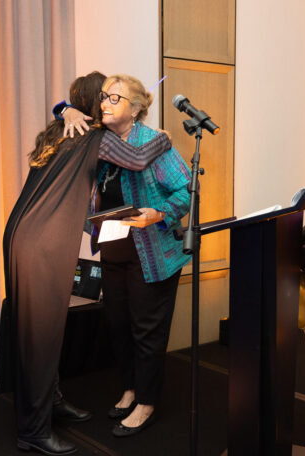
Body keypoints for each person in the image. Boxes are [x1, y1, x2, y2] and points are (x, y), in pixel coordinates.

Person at [2, 71, 172, 455]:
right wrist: (165, 135)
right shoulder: (93, 137)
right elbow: (140, 156)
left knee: (35, 334)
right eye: (107, 98)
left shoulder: (60, 129)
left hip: (22, 235)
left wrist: (63, 110)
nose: (111, 103)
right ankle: (33, 430)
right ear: (95, 104)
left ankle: (51, 402)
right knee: (40, 339)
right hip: (41, 243)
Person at [62, 74, 191, 436]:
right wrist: (67, 110)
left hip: (152, 252)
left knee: (146, 330)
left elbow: (186, 192)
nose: (104, 103)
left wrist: (160, 212)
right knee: (118, 325)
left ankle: (146, 402)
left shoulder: (154, 143)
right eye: (103, 97)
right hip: (114, 249)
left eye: (114, 98)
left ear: (135, 109)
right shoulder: (101, 142)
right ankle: (131, 389)